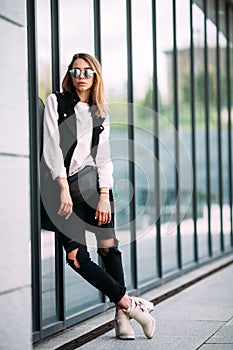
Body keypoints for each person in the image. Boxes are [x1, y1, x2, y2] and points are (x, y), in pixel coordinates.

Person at [43, 52, 156, 340]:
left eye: (87, 71)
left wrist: (105, 195)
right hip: (61, 190)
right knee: (77, 257)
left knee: (108, 249)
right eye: (75, 71)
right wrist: (63, 189)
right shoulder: (56, 103)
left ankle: (122, 319)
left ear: (95, 76)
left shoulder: (99, 111)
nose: (80, 76)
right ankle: (131, 305)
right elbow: (52, 148)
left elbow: (103, 158)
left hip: (94, 188)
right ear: (69, 75)